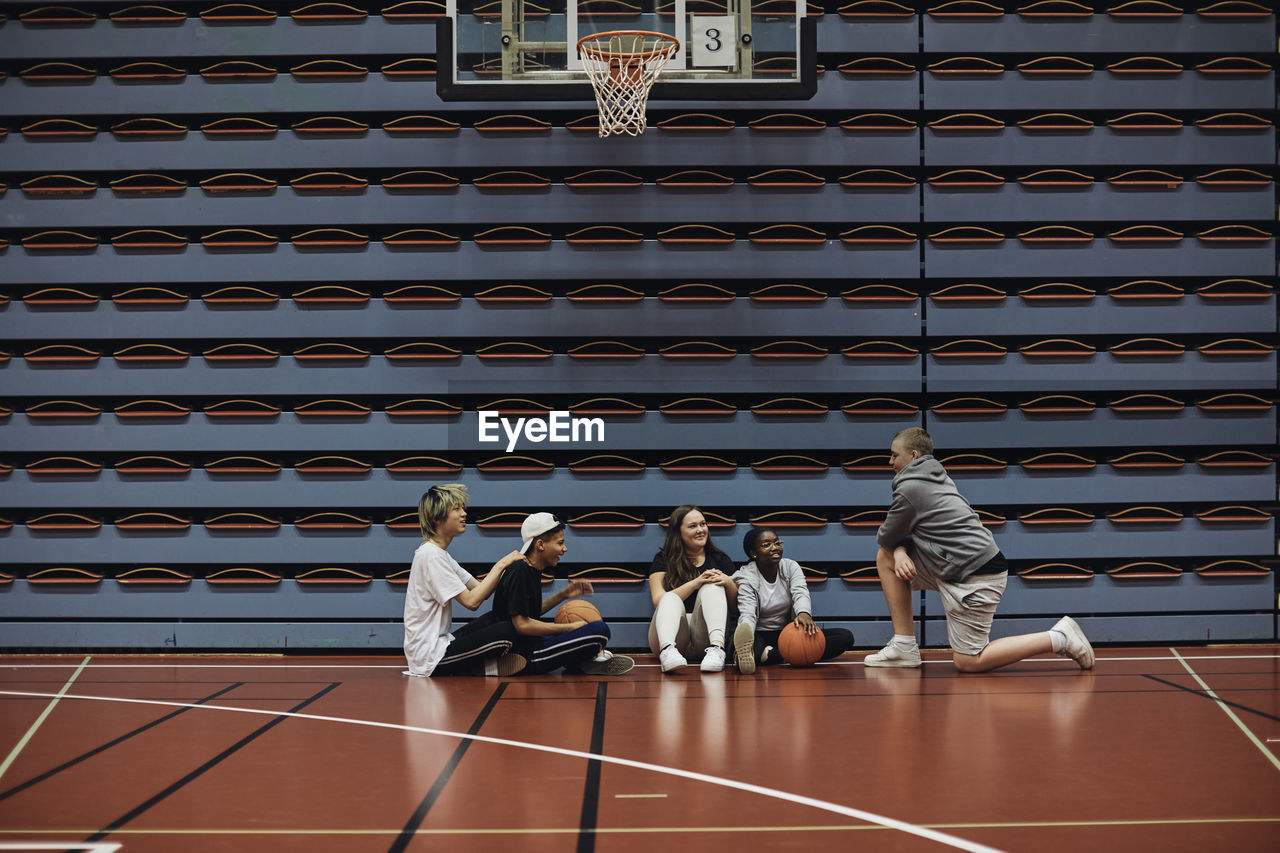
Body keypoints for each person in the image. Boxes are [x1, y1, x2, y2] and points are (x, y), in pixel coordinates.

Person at [866, 427, 1094, 672]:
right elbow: (897, 537)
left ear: (912, 456)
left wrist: (898, 547)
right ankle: (903, 646)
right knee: (887, 557)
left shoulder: (911, 488)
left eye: (893, 455)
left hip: (976, 575)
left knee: (969, 661)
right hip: (957, 566)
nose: (890, 462)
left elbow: (887, 534)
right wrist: (899, 552)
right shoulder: (932, 477)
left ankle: (1059, 637)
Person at [403, 484, 528, 677]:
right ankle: (480, 668)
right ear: (437, 517)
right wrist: (502, 563)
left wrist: (515, 570)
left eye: (463, 508)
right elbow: (472, 602)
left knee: (497, 617)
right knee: (506, 630)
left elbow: (480, 588)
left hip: (442, 642)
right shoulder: (431, 556)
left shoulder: (440, 554)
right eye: (456, 509)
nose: (464, 514)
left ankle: (479, 666)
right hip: (430, 656)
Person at [487, 512, 635, 675]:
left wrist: (563, 594)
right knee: (600, 630)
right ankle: (592, 658)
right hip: (525, 655)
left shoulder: (529, 569)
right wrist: (568, 627)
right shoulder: (520, 571)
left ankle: (585, 661)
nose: (564, 549)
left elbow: (529, 612)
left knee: (593, 630)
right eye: (560, 543)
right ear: (540, 545)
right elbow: (521, 625)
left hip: (531, 644)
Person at [731, 527, 855, 674]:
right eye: (766, 545)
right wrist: (747, 633)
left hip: (788, 633)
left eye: (777, 543)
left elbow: (800, 591)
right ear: (753, 553)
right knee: (750, 651)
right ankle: (780, 654)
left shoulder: (790, 566)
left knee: (845, 637)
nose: (775, 548)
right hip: (758, 633)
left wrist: (803, 613)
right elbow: (748, 611)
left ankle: (771, 655)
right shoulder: (746, 577)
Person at [648, 504, 737, 673]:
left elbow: (735, 608)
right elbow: (658, 600)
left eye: (703, 524)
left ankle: (718, 649)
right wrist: (696, 582)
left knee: (713, 585)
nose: (700, 530)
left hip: (705, 636)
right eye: (692, 526)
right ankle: (667, 652)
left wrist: (729, 583)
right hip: (670, 636)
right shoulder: (663, 559)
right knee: (669, 597)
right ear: (678, 532)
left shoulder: (720, 559)